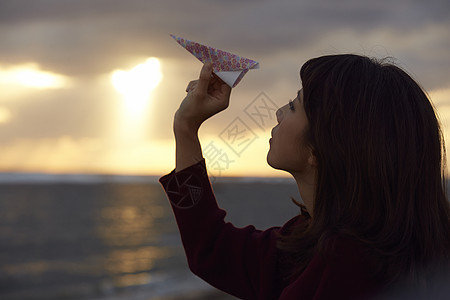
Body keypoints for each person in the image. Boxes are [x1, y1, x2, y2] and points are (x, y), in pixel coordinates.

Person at [159, 55, 450, 299]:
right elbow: (213, 251)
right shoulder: (317, 238)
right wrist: (185, 128)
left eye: (294, 106)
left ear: (321, 147)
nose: (277, 113)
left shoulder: (347, 265)